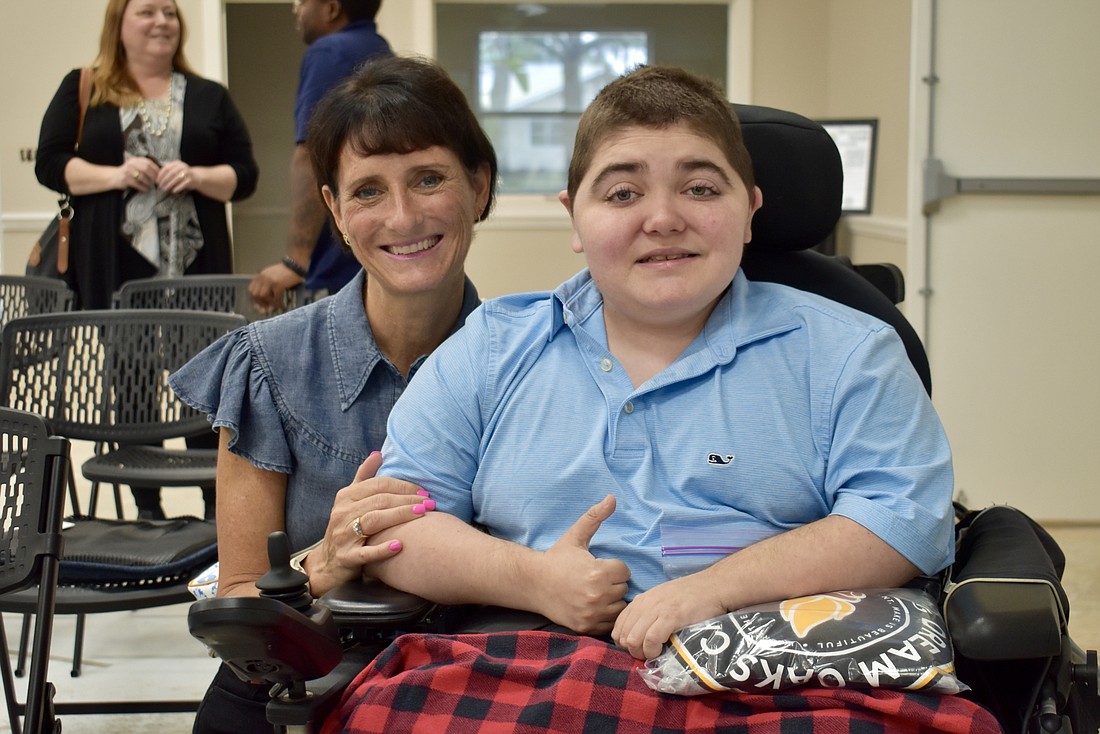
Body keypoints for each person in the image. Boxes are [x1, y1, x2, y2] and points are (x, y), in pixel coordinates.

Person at [362, 64, 956, 666]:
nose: (664, 218)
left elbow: (903, 519)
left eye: (700, 189)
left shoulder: (851, 352)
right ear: (575, 217)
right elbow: (394, 523)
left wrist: (715, 589)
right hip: (526, 670)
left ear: (749, 210)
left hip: (773, 674)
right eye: (623, 193)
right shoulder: (490, 348)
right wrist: (533, 579)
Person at [169, 55, 497, 733]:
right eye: (367, 191)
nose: (402, 216)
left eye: (429, 179)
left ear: (480, 187)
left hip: (475, 684)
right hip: (301, 677)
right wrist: (324, 561)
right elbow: (239, 591)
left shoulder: (535, 362)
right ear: (335, 213)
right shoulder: (268, 363)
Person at [35, 0, 259, 521]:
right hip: (116, 268)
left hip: (197, 270)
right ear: (119, 24)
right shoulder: (83, 86)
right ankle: (146, 509)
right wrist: (116, 174)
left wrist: (199, 177)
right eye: (147, 11)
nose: (161, 21)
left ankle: (213, 511)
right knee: (129, 378)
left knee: (205, 386)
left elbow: (244, 175)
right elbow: (50, 163)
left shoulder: (209, 96)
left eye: (170, 12)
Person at [248, 0, 391, 313]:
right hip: (375, 258)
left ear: (331, 8)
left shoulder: (329, 52)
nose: (295, 8)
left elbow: (310, 155)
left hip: (337, 269)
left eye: (302, 1)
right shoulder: (380, 50)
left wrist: (295, 262)